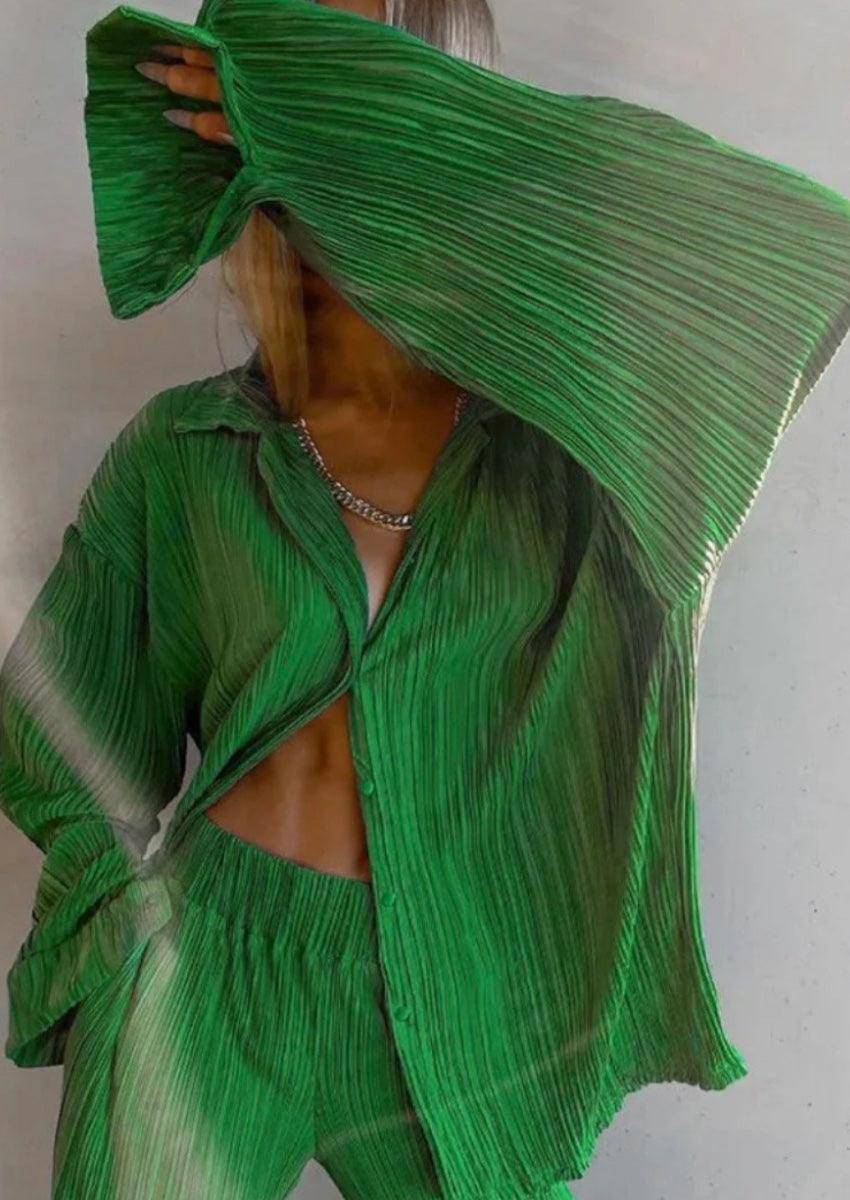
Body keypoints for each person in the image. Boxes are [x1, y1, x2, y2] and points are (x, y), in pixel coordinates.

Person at [3, 1, 850, 1198]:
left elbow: (786, 276)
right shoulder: (187, 451)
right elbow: (61, 720)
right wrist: (123, 922)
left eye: (362, 78)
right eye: (294, 75)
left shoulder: (580, 468)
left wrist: (387, 146)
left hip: (459, 989)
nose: (318, 107)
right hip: (207, 962)